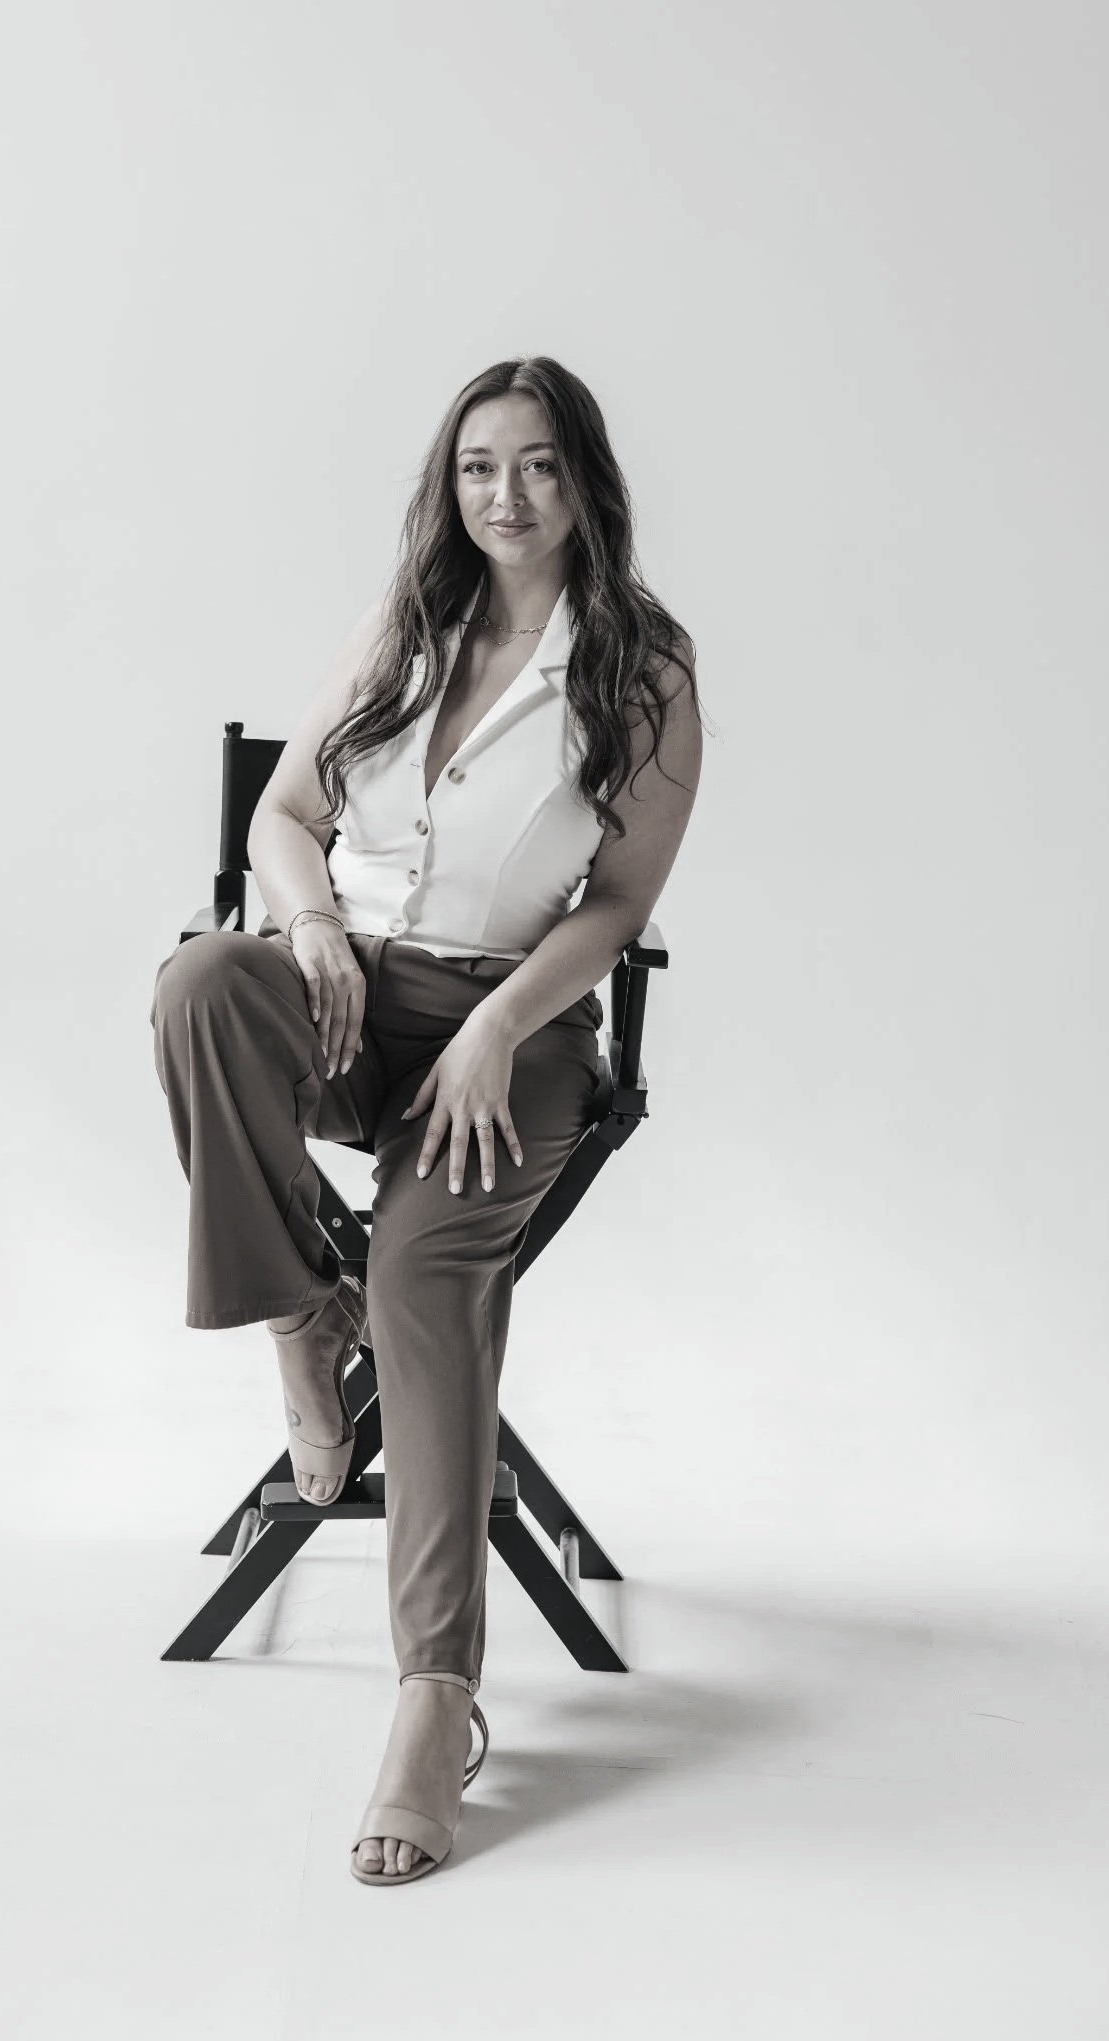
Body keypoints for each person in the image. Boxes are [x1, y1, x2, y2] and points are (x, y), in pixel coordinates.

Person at [150, 355, 705, 1885]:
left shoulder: (644, 666)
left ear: (585, 478)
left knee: (421, 1279)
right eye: (477, 467)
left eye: (534, 465)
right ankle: (294, 1325)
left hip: (511, 1032)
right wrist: (313, 925)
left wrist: (497, 1028)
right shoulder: (408, 621)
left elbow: (618, 905)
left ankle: (434, 1699)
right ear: (449, 483)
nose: (504, 496)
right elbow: (283, 812)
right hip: (352, 988)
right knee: (205, 984)